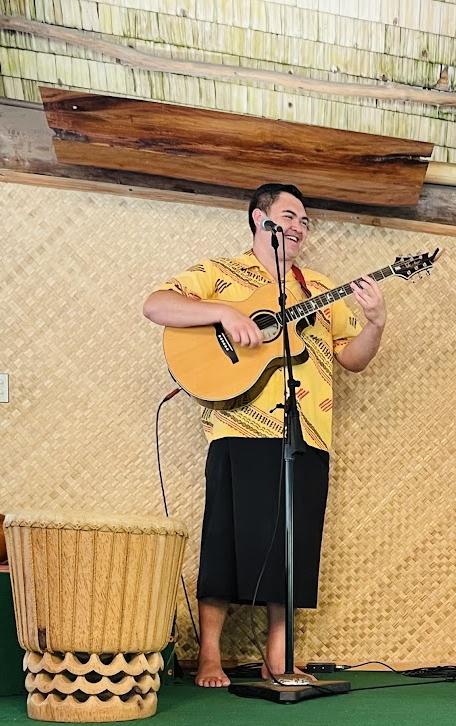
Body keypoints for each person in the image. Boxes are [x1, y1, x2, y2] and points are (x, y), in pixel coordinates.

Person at [142, 183, 387, 687]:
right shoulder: (221, 274)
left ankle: (278, 658)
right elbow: (156, 305)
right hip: (239, 426)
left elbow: (352, 359)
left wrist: (375, 325)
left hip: (307, 432)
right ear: (260, 218)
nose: (299, 227)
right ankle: (210, 655)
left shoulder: (318, 287)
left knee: (294, 545)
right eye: (289, 216)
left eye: (305, 221)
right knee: (225, 540)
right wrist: (225, 312)